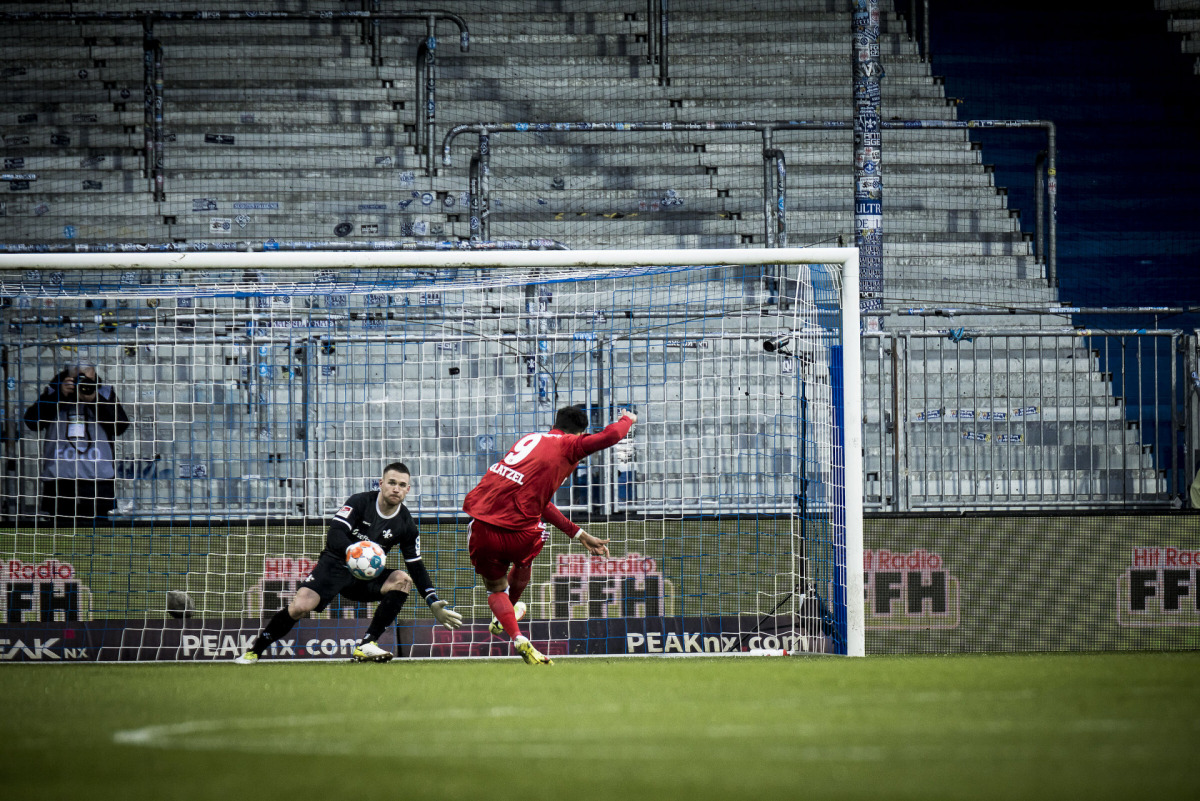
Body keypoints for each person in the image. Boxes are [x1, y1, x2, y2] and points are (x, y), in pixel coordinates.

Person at [236, 462, 462, 664]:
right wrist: (353, 551)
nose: (396, 488)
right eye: (392, 482)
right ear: (381, 483)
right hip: (334, 565)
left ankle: (367, 643)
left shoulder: (406, 524)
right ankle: (254, 651)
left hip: (366, 577)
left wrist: (432, 600)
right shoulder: (360, 502)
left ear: (408, 489)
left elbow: (416, 565)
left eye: (402, 485)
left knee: (402, 580)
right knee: (300, 607)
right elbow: (335, 533)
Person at [463, 404, 636, 665]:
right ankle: (508, 611)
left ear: (554, 424)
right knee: (531, 544)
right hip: (521, 533)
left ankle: (516, 635)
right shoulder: (568, 444)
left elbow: (537, 499)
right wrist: (627, 419)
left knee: (495, 589)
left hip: (483, 524)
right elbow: (611, 436)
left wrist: (579, 534)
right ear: (579, 433)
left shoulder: (529, 440)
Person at [23, 359, 131, 527]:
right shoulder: (54, 392)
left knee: (97, 535)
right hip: (60, 482)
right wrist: (59, 395)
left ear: (94, 376)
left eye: (87, 378)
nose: (82, 383)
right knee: (61, 535)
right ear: (68, 377)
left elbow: (120, 426)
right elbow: (32, 422)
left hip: (97, 482)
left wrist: (94, 400)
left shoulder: (104, 393)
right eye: (77, 379)